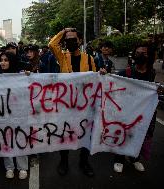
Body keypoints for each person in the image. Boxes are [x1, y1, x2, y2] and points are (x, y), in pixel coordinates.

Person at [49, 27, 99, 177]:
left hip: (85, 105)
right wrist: (64, 31)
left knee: (86, 133)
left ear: (80, 41)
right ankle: (63, 161)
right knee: (64, 132)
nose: (70, 42)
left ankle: (84, 162)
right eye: (67, 39)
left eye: (73, 39)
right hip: (65, 104)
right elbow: (52, 44)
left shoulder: (89, 59)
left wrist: (101, 74)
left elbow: (95, 79)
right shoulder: (62, 57)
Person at [113, 42, 160, 173]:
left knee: (140, 135)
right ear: (134, 55)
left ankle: (135, 158)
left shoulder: (152, 73)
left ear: (149, 56)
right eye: (138, 53)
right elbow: (113, 83)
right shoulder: (125, 72)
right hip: (127, 112)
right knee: (123, 134)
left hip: (144, 114)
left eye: (144, 53)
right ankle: (119, 159)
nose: (140, 55)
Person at [0, 52, 29, 179]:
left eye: (6, 60)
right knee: (6, 138)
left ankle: (22, 167)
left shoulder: (21, 75)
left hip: (19, 113)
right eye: (1, 60)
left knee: (20, 138)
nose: (3, 62)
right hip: (3, 114)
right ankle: (9, 167)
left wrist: (28, 77)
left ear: (12, 61)